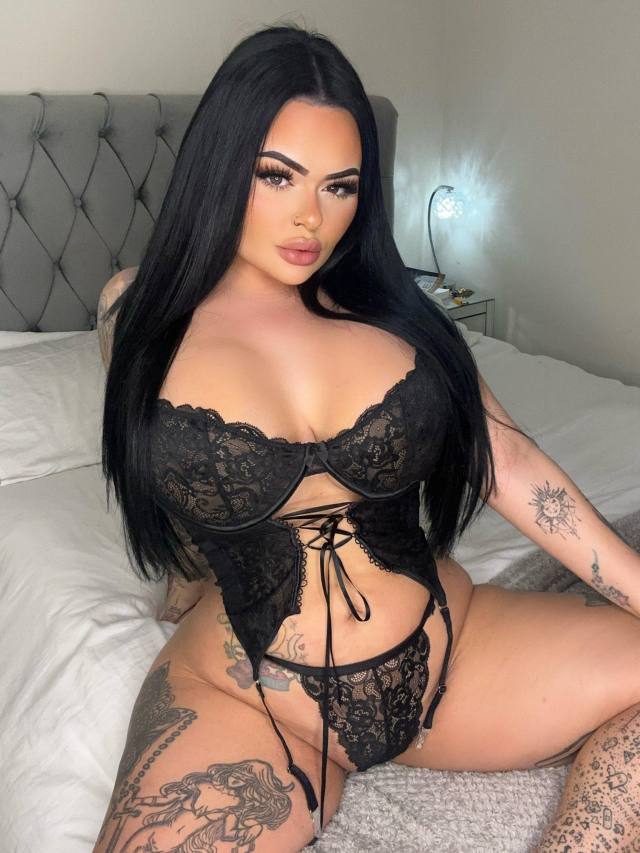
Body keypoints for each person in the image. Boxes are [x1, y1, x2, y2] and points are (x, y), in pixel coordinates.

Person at [93, 22, 640, 853]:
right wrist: (184, 577)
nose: (311, 217)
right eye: (277, 175)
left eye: (340, 186)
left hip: (445, 656)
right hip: (251, 695)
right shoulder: (138, 313)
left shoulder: (398, 317)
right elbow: (155, 451)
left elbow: (507, 457)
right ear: (221, 165)